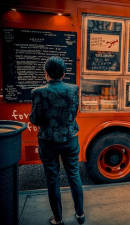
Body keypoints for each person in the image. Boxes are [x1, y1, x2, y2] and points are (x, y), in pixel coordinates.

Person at [30, 56, 85, 225]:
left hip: (48, 141)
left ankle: (58, 219)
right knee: (74, 174)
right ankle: (80, 215)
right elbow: (73, 113)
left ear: (46, 74)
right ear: (64, 74)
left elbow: (35, 119)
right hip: (70, 138)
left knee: (52, 178)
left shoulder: (38, 92)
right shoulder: (73, 89)